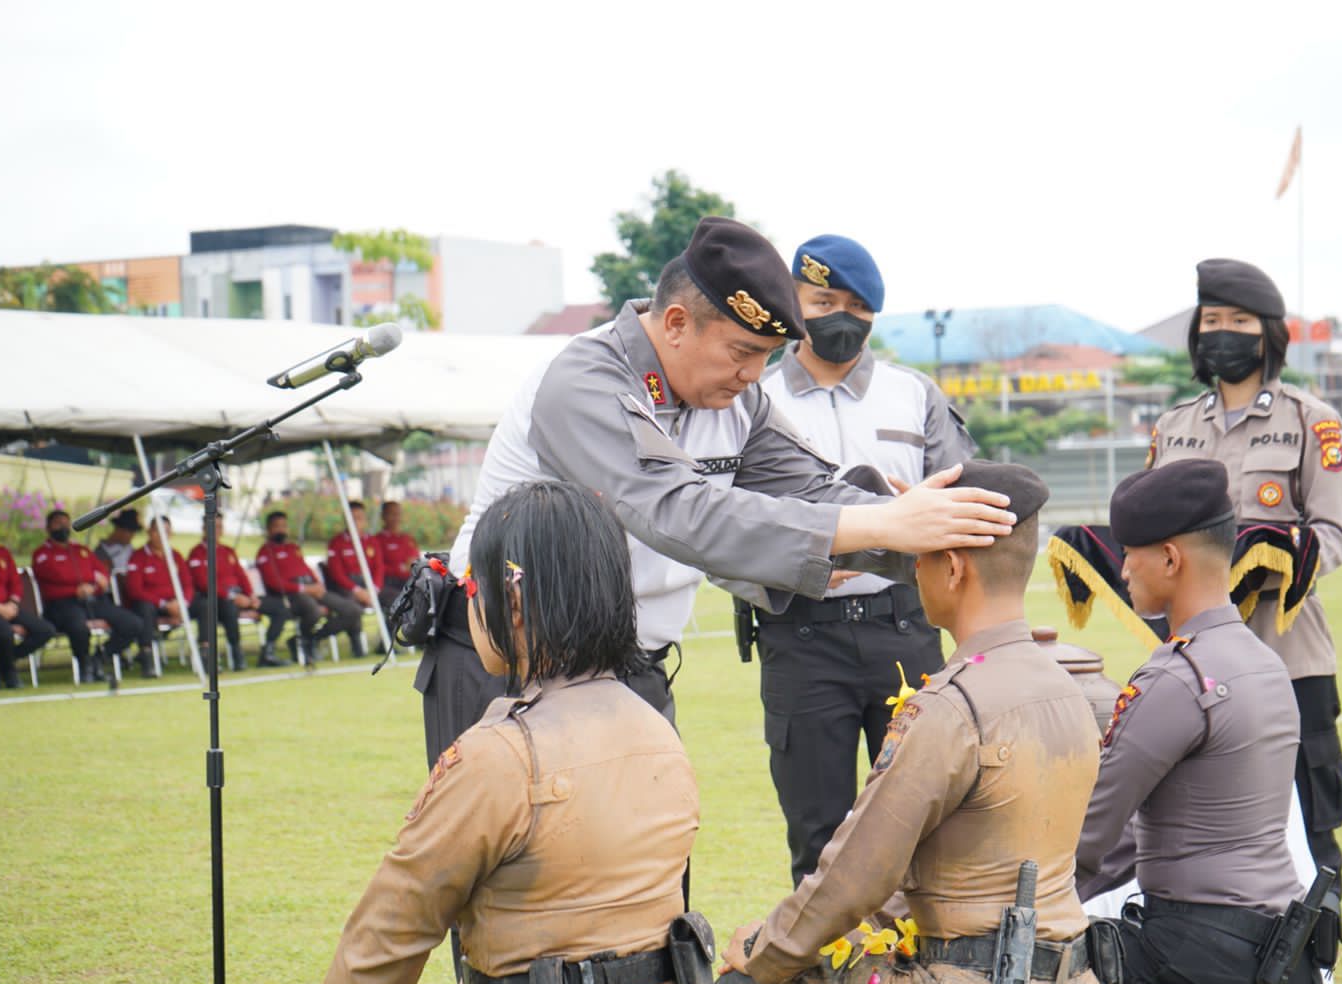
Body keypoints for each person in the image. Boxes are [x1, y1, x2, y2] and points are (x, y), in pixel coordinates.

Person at [417, 215, 1015, 771]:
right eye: (743, 352)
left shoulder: (738, 401)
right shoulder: (585, 381)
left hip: (632, 667)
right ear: (676, 322)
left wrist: (935, 528)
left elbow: (811, 490)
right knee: (521, 879)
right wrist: (885, 527)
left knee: (651, 872)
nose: (755, 375)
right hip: (507, 665)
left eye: (766, 357)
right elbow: (674, 510)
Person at [295, 481, 721, 984]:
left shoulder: (499, 759)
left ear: (512, 604)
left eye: (471, 586)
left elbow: (384, 944)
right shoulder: (658, 736)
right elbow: (563, 948)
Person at [714, 460, 1115, 984]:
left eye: (915, 559)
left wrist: (765, 950)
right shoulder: (1068, 688)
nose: (910, 575)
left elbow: (858, 872)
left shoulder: (951, 706)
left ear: (951, 569)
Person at [1075, 459, 1331, 984]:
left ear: (1170, 559)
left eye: (1131, 552)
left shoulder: (1176, 676)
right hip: (1285, 968)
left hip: (1197, 966)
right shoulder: (1265, 664)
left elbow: (1086, 835)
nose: (1122, 567)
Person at [752, 233, 977, 888]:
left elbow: (964, 509)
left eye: (857, 305)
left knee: (925, 826)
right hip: (800, 635)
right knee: (816, 837)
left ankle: (921, 982)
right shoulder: (752, 401)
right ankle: (819, 982)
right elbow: (716, 522)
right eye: (822, 300)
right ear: (792, 301)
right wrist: (800, 560)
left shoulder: (916, 396)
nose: (840, 318)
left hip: (903, 628)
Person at [1145, 258, 1342, 878]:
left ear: (1268, 333)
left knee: (1311, 820)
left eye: (1239, 320)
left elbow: (1334, 535)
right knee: (1196, 815)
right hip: (1190, 659)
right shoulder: (1173, 427)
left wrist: (1277, 561)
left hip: (1287, 653)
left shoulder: (1311, 422)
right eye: (1212, 320)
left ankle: (1318, 965)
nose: (1224, 332)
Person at [30, 509, 143, 685]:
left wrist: (92, 585)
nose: (63, 527)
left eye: (66, 523)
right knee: (78, 627)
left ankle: (99, 657)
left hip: (92, 599)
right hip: (62, 605)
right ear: (48, 528)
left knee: (132, 624)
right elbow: (57, 574)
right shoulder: (42, 553)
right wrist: (87, 580)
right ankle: (84, 666)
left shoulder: (81, 550)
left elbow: (102, 572)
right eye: (58, 523)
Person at [254, 510, 357, 666]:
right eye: (277, 526)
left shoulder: (292, 548)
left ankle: (313, 638)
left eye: (284, 526)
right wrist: (304, 589)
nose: (281, 530)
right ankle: (305, 643)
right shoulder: (265, 552)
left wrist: (317, 584)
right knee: (313, 610)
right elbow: (274, 582)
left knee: (352, 610)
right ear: (268, 529)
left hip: (312, 589)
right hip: (291, 595)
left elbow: (305, 568)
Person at [188, 512, 283, 670]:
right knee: (229, 608)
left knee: (280, 608)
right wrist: (233, 596)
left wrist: (251, 595)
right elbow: (204, 583)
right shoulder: (197, 553)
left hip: (240, 596)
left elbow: (241, 575)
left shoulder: (228, 551)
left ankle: (268, 650)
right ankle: (236, 652)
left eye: (220, 527)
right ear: (204, 528)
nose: (217, 530)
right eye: (214, 527)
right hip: (218, 599)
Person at [122, 518, 193, 679]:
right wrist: (164, 604)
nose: (162, 535)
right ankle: (146, 658)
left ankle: (206, 653)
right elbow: (134, 590)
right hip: (153, 604)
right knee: (144, 608)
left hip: (176, 603)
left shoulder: (175, 556)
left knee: (205, 604)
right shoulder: (138, 556)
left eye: (166, 531)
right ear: (149, 532)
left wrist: (183, 604)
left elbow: (188, 585)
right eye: (157, 530)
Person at [0, 535, 55, 689]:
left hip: (8, 607)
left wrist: (12, 604)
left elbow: (15, 582)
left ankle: (1, 664)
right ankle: (9, 674)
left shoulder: (1, 552)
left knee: (45, 630)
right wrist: (0, 608)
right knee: (5, 633)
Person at [324, 500, 380, 657]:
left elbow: (378, 568)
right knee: (352, 606)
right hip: (346, 586)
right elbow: (336, 573)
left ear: (365, 519)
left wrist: (373, 590)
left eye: (359, 517)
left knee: (394, 601)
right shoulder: (337, 543)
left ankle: (386, 642)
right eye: (352, 518)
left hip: (369, 584)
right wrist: (356, 590)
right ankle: (357, 645)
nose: (356, 522)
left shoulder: (371, 541)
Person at [372, 499, 420, 611]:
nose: (396, 518)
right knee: (400, 601)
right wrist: (400, 568)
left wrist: (407, 567)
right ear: (383, 516)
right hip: (387, 583)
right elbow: (377, 566)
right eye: (392, 514)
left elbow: (414, 561)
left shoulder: (407, 539)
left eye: (398, 514)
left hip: (408, 581)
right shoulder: (377, 540)